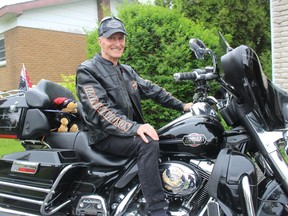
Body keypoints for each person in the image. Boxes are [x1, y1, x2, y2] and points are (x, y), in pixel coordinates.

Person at [76, 16, 192, 216]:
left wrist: (183, 106)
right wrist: (135, 128)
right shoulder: (88, 70)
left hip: (123, 132)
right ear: (100, 41)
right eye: (112, 38)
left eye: (121, 38)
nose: (117, 43)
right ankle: (157, 209)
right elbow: (99, 110)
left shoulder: (126, 71)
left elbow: (153, 90)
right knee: (146, 143)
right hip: (104, 136)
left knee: (170, 139)